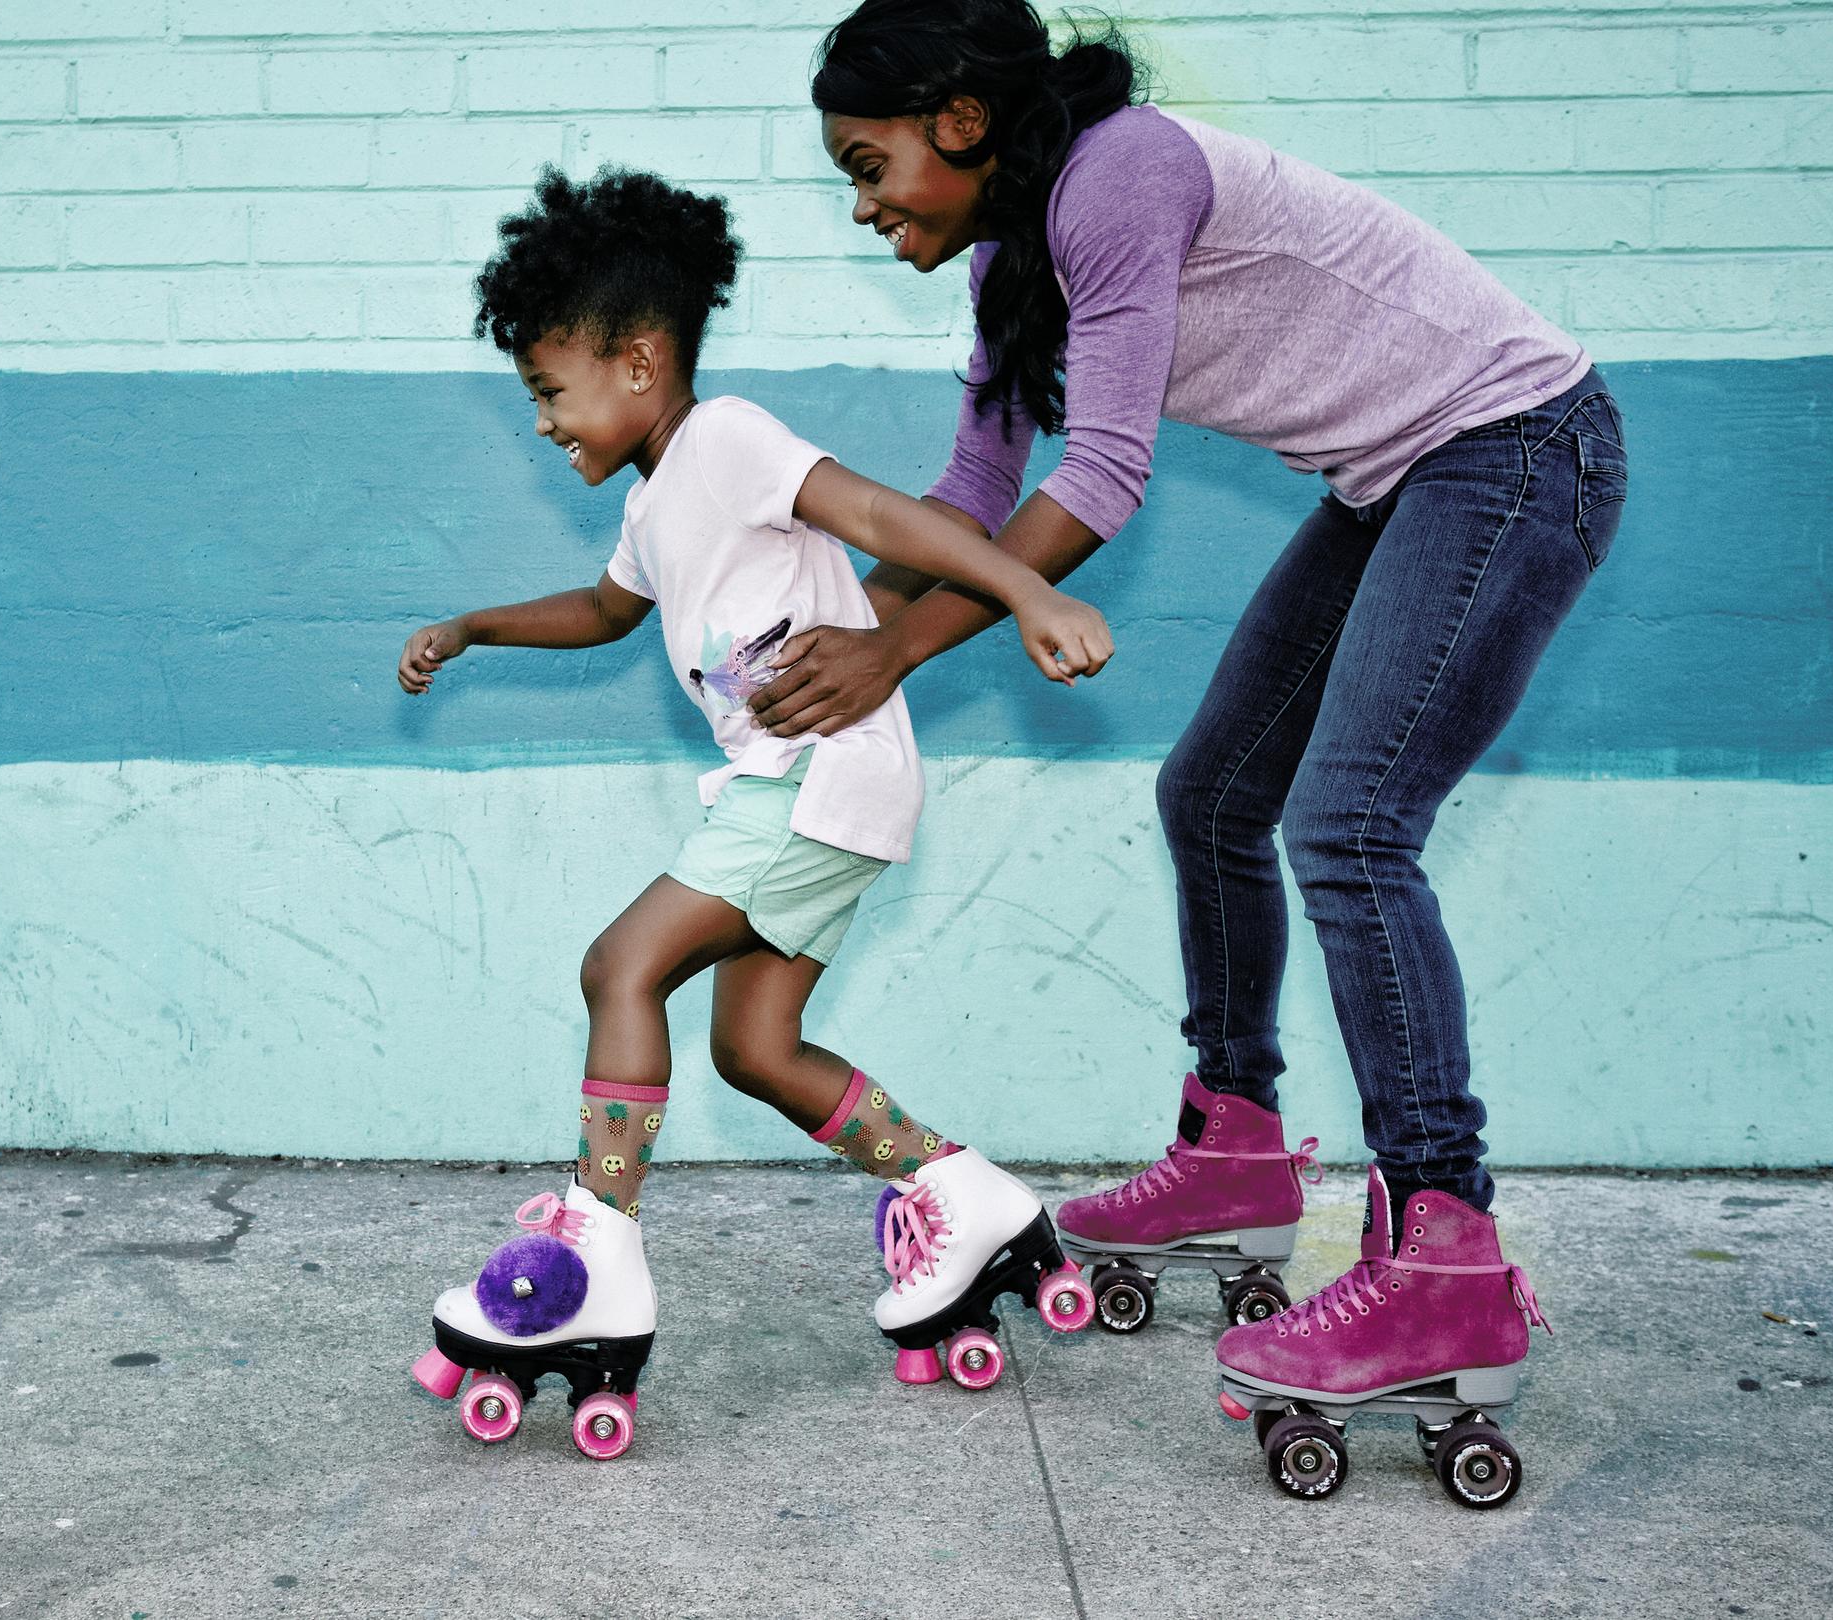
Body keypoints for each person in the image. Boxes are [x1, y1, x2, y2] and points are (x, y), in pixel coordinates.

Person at [789, 0, 1596, 1481]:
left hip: (1513, 448)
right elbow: (974, 495)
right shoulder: (1015, 263)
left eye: (866, 164)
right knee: (1214, 792)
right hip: (1401, 480)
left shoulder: (1122, 174)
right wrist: (836, 626)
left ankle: (1447, 1253)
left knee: (1349, 829)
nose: (862, 206)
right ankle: (1234, 1146)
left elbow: (1102, 476)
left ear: (960, 122)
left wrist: (890, 652)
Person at [401, 167, 1113, 1456]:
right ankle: (968, 1199)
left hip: (817, 775)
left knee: (621, 965)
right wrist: (473, 628)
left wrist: (1027, 592)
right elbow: (604, 612)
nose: (544, 423)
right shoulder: (652, 501)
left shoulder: (725, 440)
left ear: (638, 361)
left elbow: (881, 512)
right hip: (807, 785)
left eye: (551, 391)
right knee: (755, 1050)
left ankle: (597, 1254)